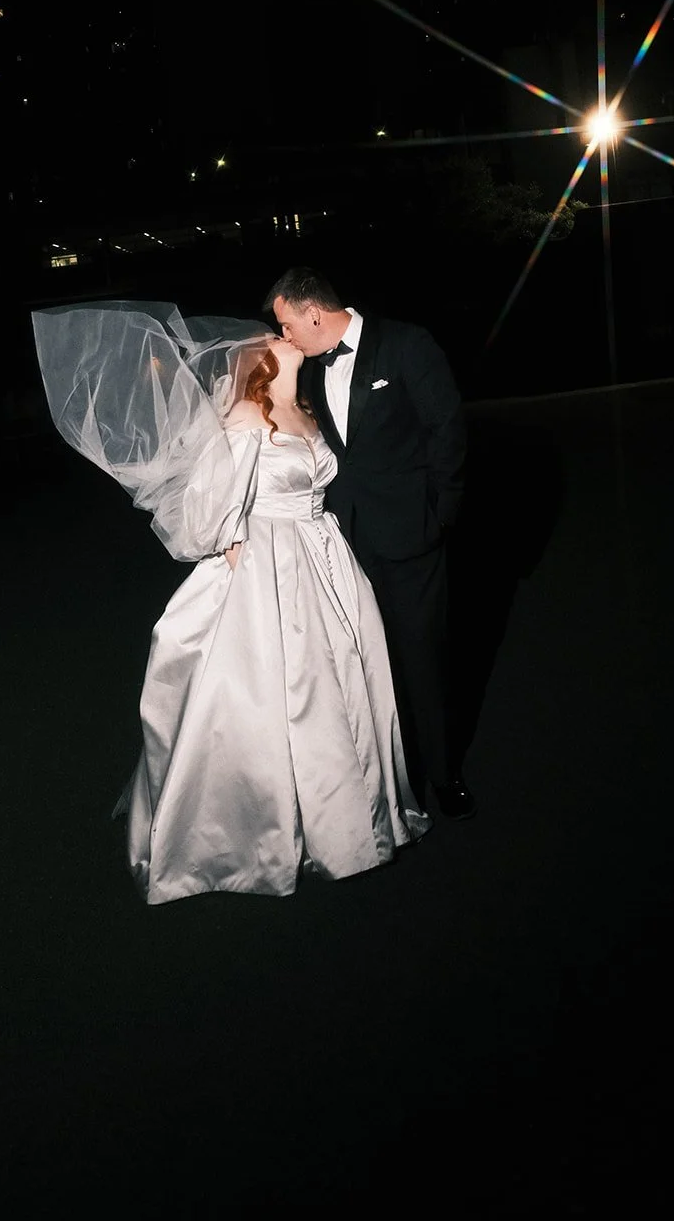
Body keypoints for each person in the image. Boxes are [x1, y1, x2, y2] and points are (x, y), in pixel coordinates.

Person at [32, 301, 430, 905]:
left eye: (284, 328)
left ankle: (353, 814)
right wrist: (233, 539)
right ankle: (265, 833)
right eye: (275, 335)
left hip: (326, 553)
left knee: (346, 675)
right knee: (284, 690)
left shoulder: (305, 410)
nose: (283, 336)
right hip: (272, 562)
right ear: (261, 360)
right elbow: (206, 502)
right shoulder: (250, 414)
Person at [264, 267, 475, 820]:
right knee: (365, 667)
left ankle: (443, 774)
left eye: (287, 323)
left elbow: (447, 430)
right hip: (341, 546)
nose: (284, 335)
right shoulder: (305, 371)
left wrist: (440, 517)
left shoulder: (406, 343)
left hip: (411, 537)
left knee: (422, 660)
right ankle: (387, 779)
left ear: (314, 313)